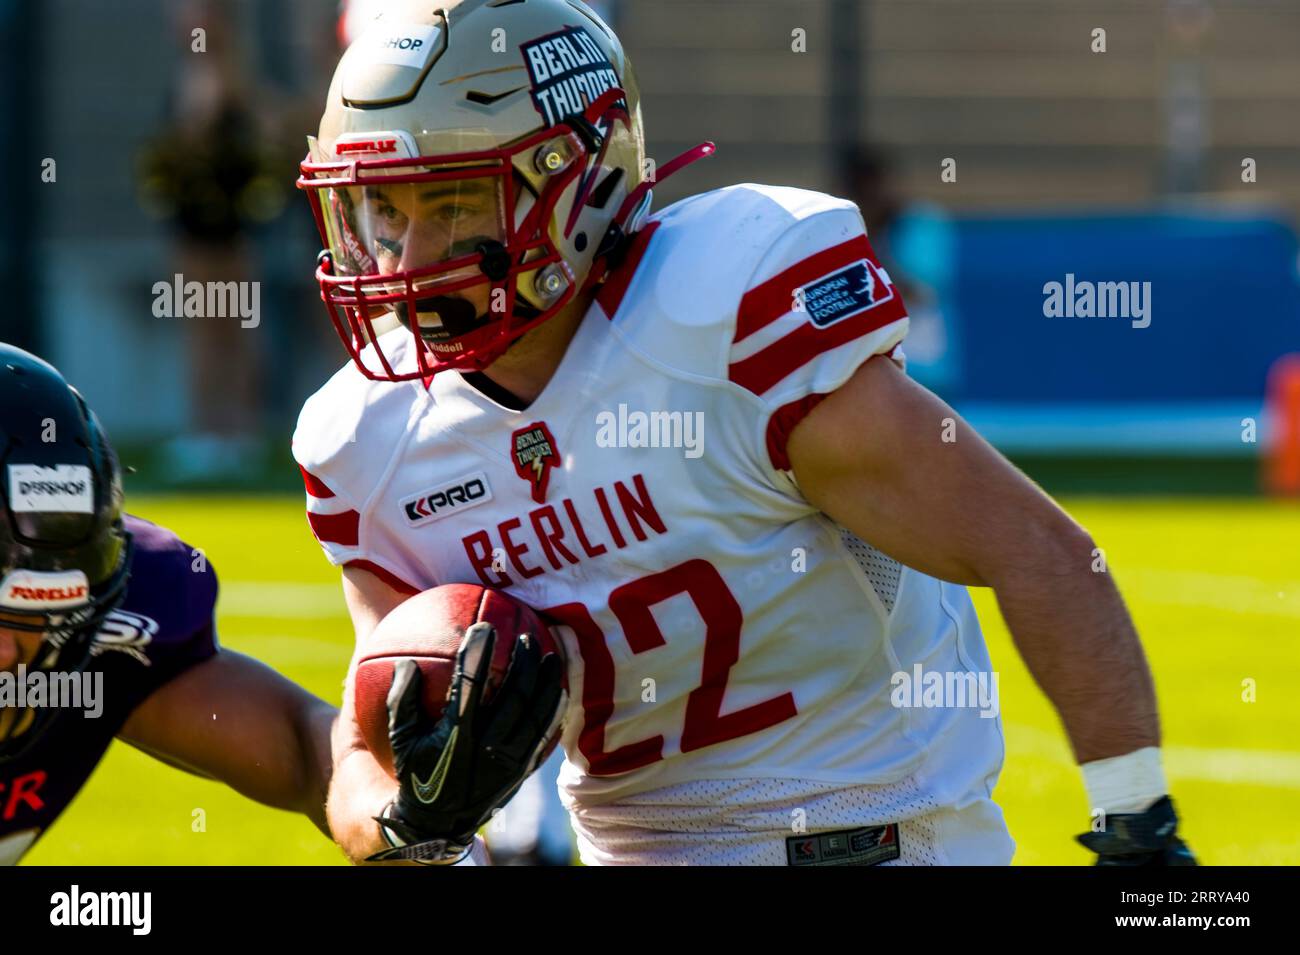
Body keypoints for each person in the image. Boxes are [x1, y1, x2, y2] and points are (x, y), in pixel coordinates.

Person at [293, 0, 1194, 866]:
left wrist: (1138, 829)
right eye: (384, 212)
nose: (405, 263)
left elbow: (1037, 549)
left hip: (873, 846)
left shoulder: (725, 316)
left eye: (451, 207)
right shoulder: (367, 441)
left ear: (578, 180)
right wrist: (406, 817)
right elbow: (363, 752)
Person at [0, 346, 335, 865]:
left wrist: (406, 806)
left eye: (25, 616)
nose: (3, 654)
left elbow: (307, 753)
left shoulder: (118, 625)